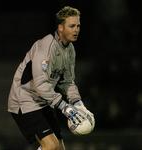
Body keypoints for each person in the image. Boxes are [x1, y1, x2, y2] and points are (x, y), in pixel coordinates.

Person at [8, 6, 94, 150]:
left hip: (44, 101)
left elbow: (67, 81)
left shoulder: (70, 50)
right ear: (60, 28)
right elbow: (40, 83)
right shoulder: (45, 46)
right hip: (24, 100)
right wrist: (64, 106)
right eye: (72, 26)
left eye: (78, 26)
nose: (76, 30)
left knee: (59, 148)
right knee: (50, 146)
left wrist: (78, 103)